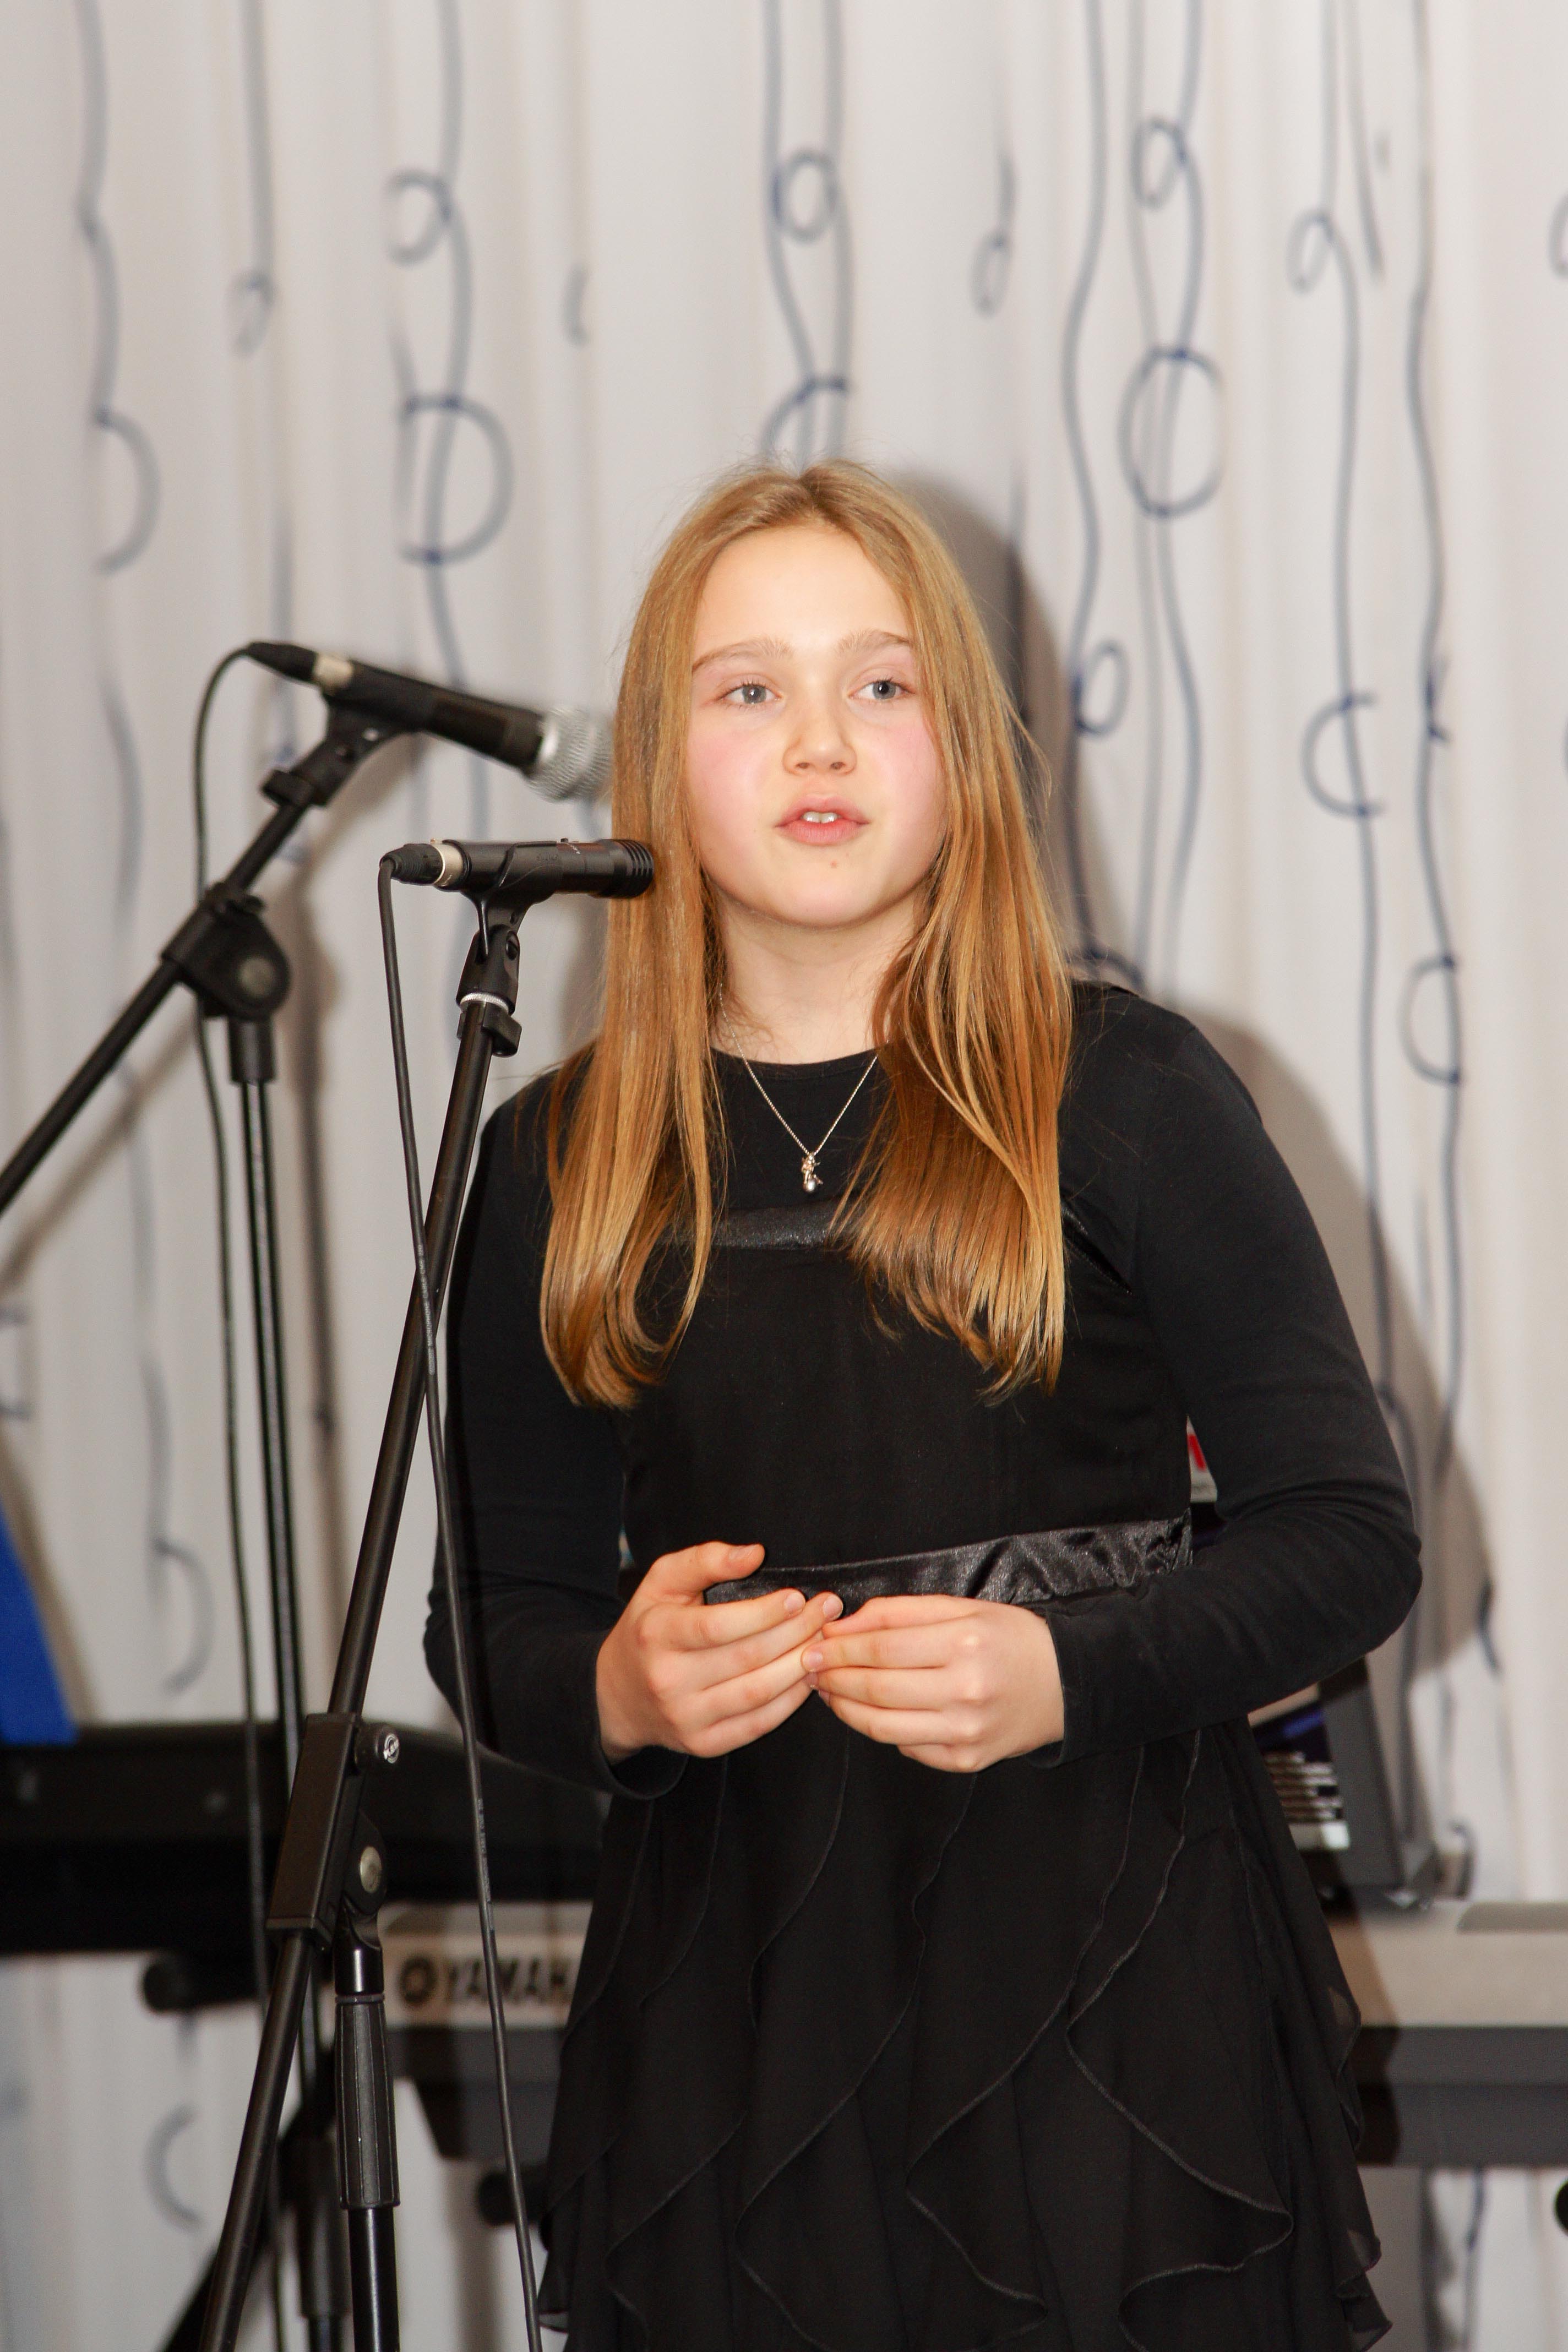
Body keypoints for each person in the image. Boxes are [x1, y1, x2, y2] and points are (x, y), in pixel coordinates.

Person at [427, 461, 1419, 2352]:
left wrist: (1069, 1673)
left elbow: (1348, 1538)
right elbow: (491, 1618)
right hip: (733, 2017)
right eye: (749, 690)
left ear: (962, 750)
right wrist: (620, 1689)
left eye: (880, 685)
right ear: (656, 765)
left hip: (1113, 1986)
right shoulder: (560, 1161)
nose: (820, 737)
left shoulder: (1123, 1090)